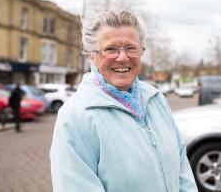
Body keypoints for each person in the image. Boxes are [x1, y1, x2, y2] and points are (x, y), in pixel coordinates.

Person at [50, 10, 198, 192]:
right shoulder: (76, 116)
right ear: (92, 55)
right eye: (111, 49)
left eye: (130, 48)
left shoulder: (156, 99)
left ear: (141, 51)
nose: (123, 57)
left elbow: (182, 169)